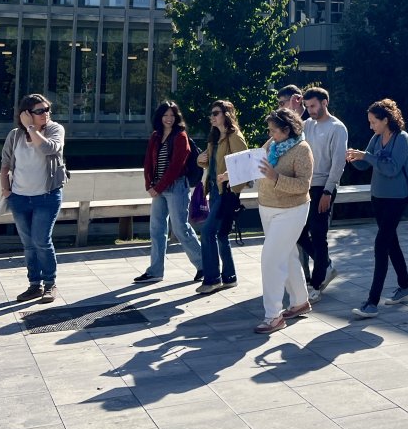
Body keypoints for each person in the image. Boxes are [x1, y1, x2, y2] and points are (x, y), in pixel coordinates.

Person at [347, 98, 408, 319]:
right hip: (378, 197)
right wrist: (354, 157)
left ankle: (372, 302)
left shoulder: (402, 138)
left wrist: (367, 156)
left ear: (386, 120)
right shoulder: (376, 137)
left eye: (374, 122)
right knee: (391, 242)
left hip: (396, 198)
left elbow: (392, 168)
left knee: (381, 244)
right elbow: (366, 163)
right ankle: (404, 286)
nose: (371, 126)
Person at [0, 94, 67, 303]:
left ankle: (50, 284)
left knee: (41, 241)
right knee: (28, 244)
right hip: (20, 198)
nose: (45, 114)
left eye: (47, 109)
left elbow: (49, 149)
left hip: (46, 197)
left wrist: (32, 128)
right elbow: (5, 164)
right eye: (39, 111)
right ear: (26, 113)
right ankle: (34, 285)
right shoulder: (15, 136)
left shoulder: (55, 130)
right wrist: (6, 191)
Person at [253, 109, 314, 334]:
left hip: (292, 210)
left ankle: (273, 316)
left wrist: (276, 177)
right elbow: (256, 163)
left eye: (274, 130)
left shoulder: (302, 150)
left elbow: (303, 185)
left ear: (287, 130)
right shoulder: (273, 143)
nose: (270, 134)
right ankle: (299, 301)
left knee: (270, 260)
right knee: (286, 255)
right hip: (267, 207)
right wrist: (231, 174)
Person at [134, 101, 203, 284]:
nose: (169, 119)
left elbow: (176, 167)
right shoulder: (156, 136)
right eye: (166, 115)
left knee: (181, 229)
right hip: (158, 189)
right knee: (156, 230)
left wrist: (158, 187)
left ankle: (204, 266)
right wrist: (149, 184)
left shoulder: (181, 136)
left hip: (176, 187)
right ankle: (155, 271)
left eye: (172, 115)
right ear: (160, 117)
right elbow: (148, 161)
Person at [298, 87, 348, 302]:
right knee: (298, 233)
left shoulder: (337, 128)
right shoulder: (306, 124)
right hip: (305, 186)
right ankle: (325, 264)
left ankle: (317, 283)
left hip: (323, 187)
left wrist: (329, 190)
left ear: (324, 102)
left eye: (313, 106)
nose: (310, 110)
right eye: (307, 107)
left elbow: (338, 162)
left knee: (318, 234)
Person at [195, 100, 249, 293]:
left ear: (227, 114)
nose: (212, 117)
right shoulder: (214, 137)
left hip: (227, 193)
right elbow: (211, 163)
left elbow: (245, 166)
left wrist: (231, 182)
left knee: (208, 232)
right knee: (221, 234)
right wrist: (200, 160)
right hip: (215, 192)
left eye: (216, 113)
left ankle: (212, 279)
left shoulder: (235, 136)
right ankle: (229, 277)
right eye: (211, 113)